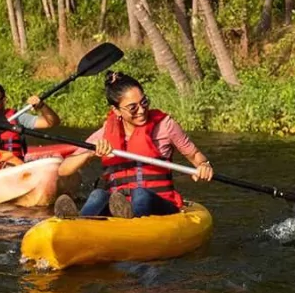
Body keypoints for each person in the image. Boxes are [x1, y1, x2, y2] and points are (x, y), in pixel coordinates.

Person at [52, 71, 213, 219]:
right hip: (119, 205)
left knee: (141, 194)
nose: (142, 111)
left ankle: (129, 220)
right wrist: (91, 153)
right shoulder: (105, 133)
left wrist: (204, 165)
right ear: (116, 111)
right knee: (98, 195)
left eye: (144, 102)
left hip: (160, 206)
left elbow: (195, 156)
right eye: (132, 108)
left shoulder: (165, 126)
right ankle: (77, 222)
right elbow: (64, 169)